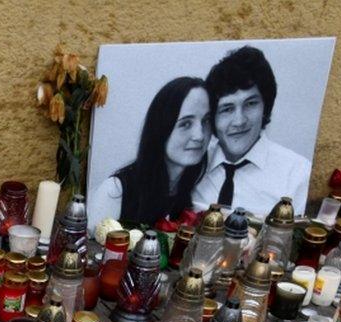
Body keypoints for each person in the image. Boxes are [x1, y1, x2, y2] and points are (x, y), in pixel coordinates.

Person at [190, 46, 312, 216]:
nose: (239, 121)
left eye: (250, 104)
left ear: (265, 108)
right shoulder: (192, 163)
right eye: (227, 109)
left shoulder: (298, 174)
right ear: (213, 118)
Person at [88, 76, 210, 229]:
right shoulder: (116, 191)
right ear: (161, 127)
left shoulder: (200, 193)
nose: (199, 135)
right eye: (185, 123)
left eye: (206, 121)